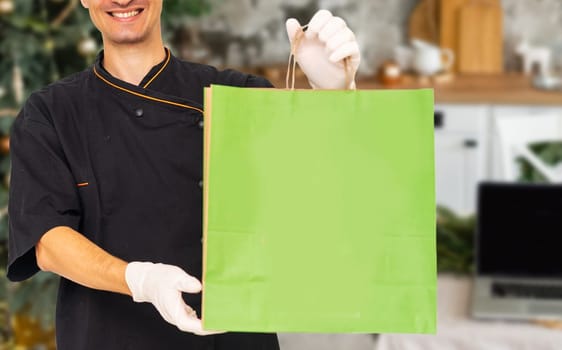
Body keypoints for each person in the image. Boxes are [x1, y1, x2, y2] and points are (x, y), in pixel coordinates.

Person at [6, 0, 361, 349]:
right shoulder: (51, 113)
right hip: (106, 336)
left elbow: (320, 184)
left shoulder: (236, 96)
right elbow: (48, 242)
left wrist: (333, 96)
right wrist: (141, 280)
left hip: (232, 338)